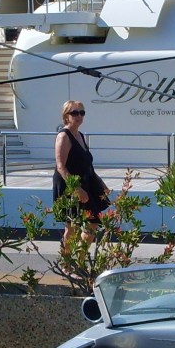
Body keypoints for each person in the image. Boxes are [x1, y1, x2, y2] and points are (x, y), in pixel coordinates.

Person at [53, 99, 109, 249]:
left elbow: (87, 164)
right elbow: (61, 167)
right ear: (66, 116)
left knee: (86, 224)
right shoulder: (63, 136)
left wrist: (101, 183)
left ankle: (77, 260)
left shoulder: (80, 135)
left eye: (82, 112)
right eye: (75, 113)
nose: (79, 116)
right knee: (76, 226)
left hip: (86, 182)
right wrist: (76, 189)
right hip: (70, 186)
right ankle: (69, 264)